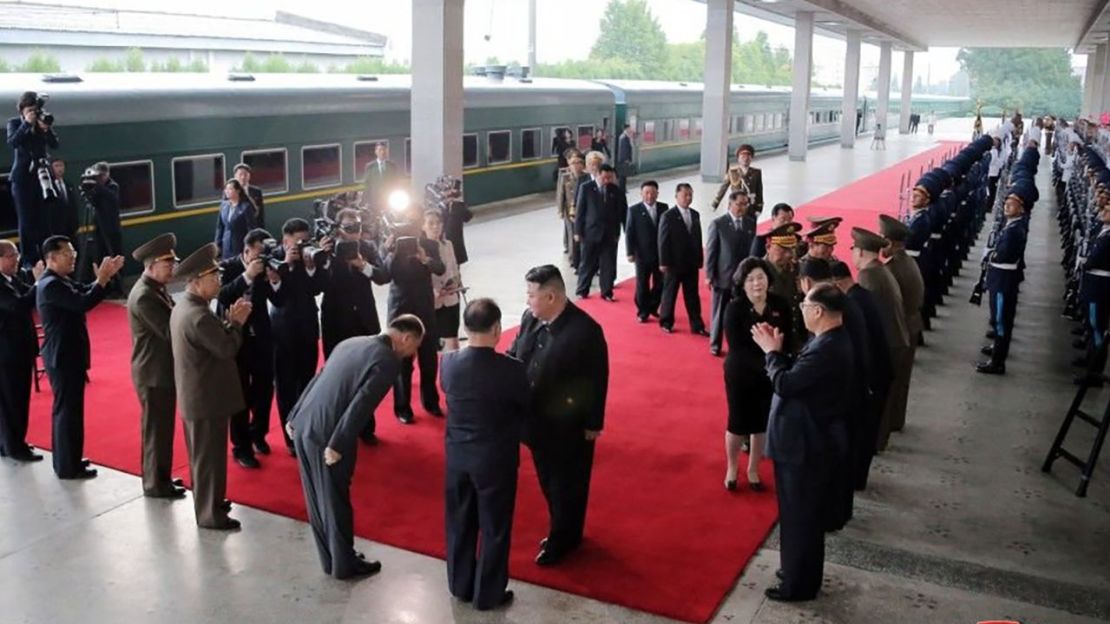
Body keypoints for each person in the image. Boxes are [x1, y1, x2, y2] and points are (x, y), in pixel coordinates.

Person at [286, 315, 425, 579]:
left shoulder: (352, 342)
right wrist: (338, 444)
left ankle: (331, 559)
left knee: (315, 498)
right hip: (330, 434)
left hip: (305, 425)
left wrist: (294, 415)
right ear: (405, 338)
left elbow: (319, 377)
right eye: (415, 346)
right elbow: (361, 404)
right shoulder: (387, 361)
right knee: (336, 500)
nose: (413, 353)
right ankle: (344, 565)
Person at [752, 282, 853, 602]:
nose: (801, 310)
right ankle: (798, 570)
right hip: (810, 440)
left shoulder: (827, 349)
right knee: (801, 515)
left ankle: (798, 584)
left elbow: (786, 383)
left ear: (819, 311)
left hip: (805, 445)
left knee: (800, 517)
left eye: (806, 306)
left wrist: (771, 353)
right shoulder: (829, 340)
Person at [507, 265, 608, 566]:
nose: (527, 301)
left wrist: (593, 424)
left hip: (569, 427)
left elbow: (597, 379)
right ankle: (565, 529)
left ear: (551, 296)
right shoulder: (530, 320)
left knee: (568, 484)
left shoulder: (585, 331)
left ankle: (563, 537)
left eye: (531, 295)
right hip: (535, 423)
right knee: (548, 481)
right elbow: (515, 356)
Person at [441, 299, 528, 610]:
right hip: (495, 460)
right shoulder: (512, 370)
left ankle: (460, 585)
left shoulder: (448, 363)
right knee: (494, 527)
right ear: (497, 329)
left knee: (459, 523)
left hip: (457, 458)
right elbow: (524, 407)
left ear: (465, 328)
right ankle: (488, 594)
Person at [170, 243, 252, 530]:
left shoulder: (187, 306)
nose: (218, 281)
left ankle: (211, 501)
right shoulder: (200, 315)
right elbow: (226, 348)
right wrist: (237, 324)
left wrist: (228, 324)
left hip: (199, 396)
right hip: (206, 398)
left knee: (204, 458)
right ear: (196, 280)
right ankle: (210, 514)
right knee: (209, 460)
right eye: (213, 276)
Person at [37, 235, 124, 479]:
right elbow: (82, 302)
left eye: (73, 252)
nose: (73, 256)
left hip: (67, 355)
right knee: (67, 412)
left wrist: (100, 281)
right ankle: (67, 466)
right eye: (68, 253)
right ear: (52, 258)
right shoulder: (51, 285)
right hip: (62, 357)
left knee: (70, 412)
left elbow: (83, 291)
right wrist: (102, 280)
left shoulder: (59, 280)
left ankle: (70, 459)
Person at [723, 257, 792, 491]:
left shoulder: (780, 305)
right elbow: (737, 347)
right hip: (741, 373)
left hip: (771, 374)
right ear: (742, 284)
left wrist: (778, 361)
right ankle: (732, 467)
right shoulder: (735, 309)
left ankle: (753, 469)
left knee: (761, 423)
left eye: (760, 278)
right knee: (738, 423)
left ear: (768, 280)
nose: (756, 284)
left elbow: (788, 338)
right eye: (750, 279)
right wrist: (770, 357)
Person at [218, 228, 285, 467]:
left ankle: (258, 434)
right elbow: (222, 295)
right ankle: (241, 446)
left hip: (263, 337)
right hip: (236, 338)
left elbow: (278, 300)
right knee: (240, 395)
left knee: (265, 389)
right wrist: (247, 275)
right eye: (258, 254)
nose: (261, 258)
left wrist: (275, 281)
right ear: (246, 251)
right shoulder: (227, 267)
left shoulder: (268, 266)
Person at [127, 233, 186, 499]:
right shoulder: (144, 297)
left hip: (159, 370)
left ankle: (160, 477)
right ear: (151, 265)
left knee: (161, 429)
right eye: (167, 263)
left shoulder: (154, 289)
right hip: (153, 372)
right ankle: (154, 484)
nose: (172, 268)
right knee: (156, 431)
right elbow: (168, 329)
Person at [829, 260, 891, 491]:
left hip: (872, 377)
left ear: (838, 283)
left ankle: (854, 481)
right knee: (865, 433)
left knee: (860, 436)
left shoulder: (852, 303)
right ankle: (857, 479)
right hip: (879, 372)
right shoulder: (863, 296)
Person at [270, 218, 327, 456]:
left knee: (307, 383)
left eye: (306, 240)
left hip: (307, 328)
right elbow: (277, 298)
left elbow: (316, 289)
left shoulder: (309, 255)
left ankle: (306, 430)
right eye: (298, 241)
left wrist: (312, 265)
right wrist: (287, 265)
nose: (303, 244)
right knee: (285, 387)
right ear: (286, 241)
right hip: (282, 331)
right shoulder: (273, 258)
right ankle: (290, 437)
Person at [850, 228, 910, 452]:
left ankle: (874, 442)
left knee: (878, 398)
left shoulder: (868, 275)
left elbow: (864, 317)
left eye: (854, 250)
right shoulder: (881, 270)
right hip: (896, 338)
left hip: (888, 342)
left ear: (862, 252)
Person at [386, 218, 446, 423]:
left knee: (429, 359)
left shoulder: (428, 245)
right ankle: (402, 408)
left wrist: (425, 259)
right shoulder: (391, 246)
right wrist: (389, 250)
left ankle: (431, 402)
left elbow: (440, 268)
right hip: (400, 311)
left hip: (425, 309)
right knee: (402, 362)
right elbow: (384, 274)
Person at [320, 208, 390, 359]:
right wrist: (323, 258)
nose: (354, 232)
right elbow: (318, 284)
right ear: (339, 229)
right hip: (336, 318)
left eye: (358, 227)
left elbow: (383, 277)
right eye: (349, 228)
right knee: (338, 365)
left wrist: (362, 265)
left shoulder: (367, 247)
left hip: (364, 317)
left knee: (367, 364)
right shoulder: (327, 248)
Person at [977, 182, 1031, 375]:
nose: (1007, 205)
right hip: (1002, 278)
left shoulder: (1014, 230)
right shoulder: (1014, 225)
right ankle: (997, 350)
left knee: (1000, 321)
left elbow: (1002, 255)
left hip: (1003, 280)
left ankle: (997, 362)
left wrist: (989, 255)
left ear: (1021, 207)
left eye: (1012, 203)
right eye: (1006, 202)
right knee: (1000, 319)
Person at [879, 214, 925, 430]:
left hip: (899, 328)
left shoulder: (891, 269)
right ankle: (896, 421)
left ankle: (884, 427)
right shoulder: (909, 261)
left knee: (889, 383)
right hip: (913, 323)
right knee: (902, 380)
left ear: (890, 242)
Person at [0, 240, 44, 462]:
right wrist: (38, 283)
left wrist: (39, 283)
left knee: (10, 401)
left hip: (16, 350)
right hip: (9, 354)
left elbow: (28, 294)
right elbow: (18, 305)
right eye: (11, 256)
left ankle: (8, 442)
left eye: (16, 254)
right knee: (14, 400)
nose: (16, 259)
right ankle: (15, 446)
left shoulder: (12, 279)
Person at [7, 91, 58, 268]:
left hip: (41, 176)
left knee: (45, 221)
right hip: (22, 179)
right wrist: (27, 125)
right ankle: (29, 262)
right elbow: (13, 142)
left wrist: (46, 129)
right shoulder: (14, 123)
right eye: (30, 110)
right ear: (22, 110)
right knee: (26, 222)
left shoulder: (41, 124)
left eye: (35, 110)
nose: (34, 114)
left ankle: (48, 258)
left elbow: (55, 144)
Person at [706, 190, 755, 356]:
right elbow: (712, 251)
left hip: (744, 278)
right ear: (730, 203)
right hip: (723, 277)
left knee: (743, 313)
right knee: (719, 313)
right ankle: (715, 344)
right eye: (739, 204)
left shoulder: (750, 223)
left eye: (745, 204)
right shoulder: (718, 224)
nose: (742, 207)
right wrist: (709, 275)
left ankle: (739, 344)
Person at [658, 183, 707, 335]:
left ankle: (697, 324)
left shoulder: (695, 214)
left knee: (692, 295)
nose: (688, 198)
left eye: (690, 195)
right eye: (685, 195)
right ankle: (666, 321)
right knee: (670, 293)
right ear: (676, 196)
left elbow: (698, 238)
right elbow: (663, 240)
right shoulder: (668, 216)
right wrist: (663, 262)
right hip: (673, 263)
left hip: (691, 262)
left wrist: (699, 259)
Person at [574, 163, 626, 301]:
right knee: (587, 263)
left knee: (608, 264)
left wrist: (626, 233)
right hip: (590, 233)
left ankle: (607, 292)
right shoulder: (586, 188)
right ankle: (582, 290)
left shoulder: (616, 191)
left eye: (610, 178)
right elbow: (580, 211)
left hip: (610, 234)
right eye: (604, 178)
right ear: (598, 174)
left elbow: (623, 213)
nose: (607, 181)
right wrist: (577, 231)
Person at [625, 179, 667, 322]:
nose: (650, 196)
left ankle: (653, 306)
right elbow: (629, 232)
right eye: (647, 193)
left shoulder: (663, 208)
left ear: (657, 194)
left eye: (653, 193)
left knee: (660, 283)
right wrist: (630, 252)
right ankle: (643, 311)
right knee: (642, 284)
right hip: (642, 254)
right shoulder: (634, 210)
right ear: (641, 194)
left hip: (660, 254)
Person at [85, 161, 125, 296]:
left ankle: (118, 286)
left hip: (112, 229)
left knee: (115, 257)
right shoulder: (95, 187)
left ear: (107, 174)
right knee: (101, 257)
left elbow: (112, 198)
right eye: (99, 175)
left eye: (103, 175)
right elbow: (92, 201)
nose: (101, 177)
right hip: (99, 228)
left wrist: (98, 186)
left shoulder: (113, 186)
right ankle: (105, 286)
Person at [426, 210, 463, 352]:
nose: (435, 227)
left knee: (453, 343)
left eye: (438, 223)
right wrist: (434, 292)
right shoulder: (421, 249)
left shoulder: (448, 245)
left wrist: (455, 281)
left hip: (451, 299)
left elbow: (454, 270)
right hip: (433, 302)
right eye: (431, 223)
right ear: (423, 226)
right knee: (434, 346)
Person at [556, 153, 587, 270]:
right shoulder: (565, 177)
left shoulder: (585, 177)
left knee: (580, 234)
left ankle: (581, 257)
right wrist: (560, 209)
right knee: (571, 233)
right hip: (569, 210)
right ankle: (573, 259)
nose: (575, 165)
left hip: (583, 209)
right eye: (572, 163)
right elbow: (560, 193)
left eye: (577, 163)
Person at [714, 144, 764, 215]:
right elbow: (723, 188)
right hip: (735, 205)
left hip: (750, 206)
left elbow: (759, 190)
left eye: (748, 157)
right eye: (743, 157)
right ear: (738, 159)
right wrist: (716, 203)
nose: (745, 159)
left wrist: (759, 207)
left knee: (749, 224)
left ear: (751, 159)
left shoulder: (756, 172)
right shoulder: (732, 172)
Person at [215, 179, 258, 260]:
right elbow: (220, 227)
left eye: (230, 189)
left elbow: (251, 229)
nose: (227, 191)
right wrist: (217, 244)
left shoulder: (246, 207)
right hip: (226, 245)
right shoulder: (224, 205)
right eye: (226, 189)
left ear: (238, 191)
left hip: (240, 245)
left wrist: (249, 246)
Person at [362, 142, 402, 212]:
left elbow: (396, 182)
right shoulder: (370, 167)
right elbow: (367, 185)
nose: (382, 152)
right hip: (375, 200)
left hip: (389, 200)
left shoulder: (392, 165)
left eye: (384, 150)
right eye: (380, 150)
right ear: (376, 152)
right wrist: (365, 201)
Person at [46, 157, 78, 241]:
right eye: (56, 166)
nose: (59, 168)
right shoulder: (49, 187)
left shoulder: (69, 185)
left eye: (61, 165)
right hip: (56, 228)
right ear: (51, 168)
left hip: (71, 228)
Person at [233, 163, 266, 230]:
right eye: (240, 174)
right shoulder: (230, 192)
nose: (243, 177)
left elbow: (260, 215)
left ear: (249, 176)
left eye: (245, 174)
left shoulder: (257, 191)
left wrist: (261, 231)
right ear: (235, 176)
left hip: (252, 229)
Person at [616, 124, 635, 192]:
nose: (630, 130)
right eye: (629, 128)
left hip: (624, 159)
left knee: (624, 175)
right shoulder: (623, 137)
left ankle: (623, 189)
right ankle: (622, 189)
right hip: (623, 159)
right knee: (622, 176)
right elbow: (623, 149)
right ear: (626, 129)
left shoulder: (625, 137)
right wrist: (626, 159)